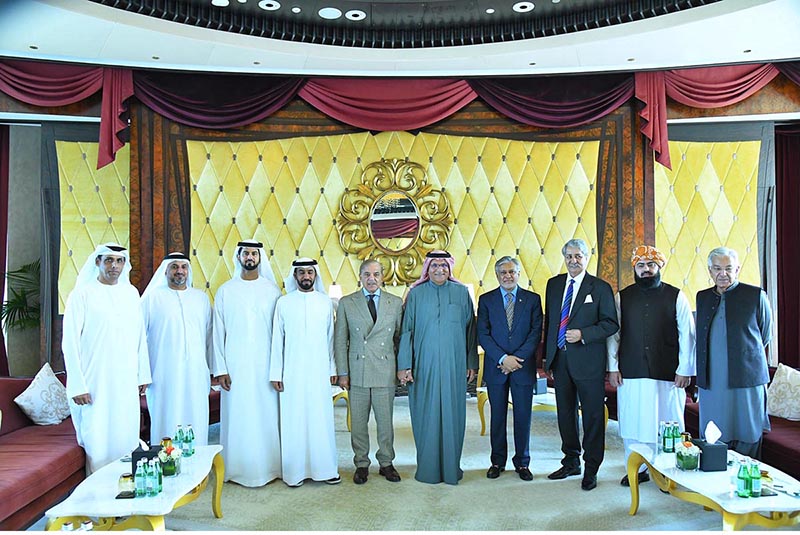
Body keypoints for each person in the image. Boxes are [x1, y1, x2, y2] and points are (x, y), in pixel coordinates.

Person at [607, 245, 696, 486]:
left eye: (651, 265)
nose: (647, 269)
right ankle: (637, 468)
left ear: (660, 267)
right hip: (631, 370)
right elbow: (614, 335)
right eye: (641, 265)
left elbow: (687, 335)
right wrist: (612, 366)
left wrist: (685, 369)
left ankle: (668, 471)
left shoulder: (676, 295)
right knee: (633, 421)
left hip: (667, 371)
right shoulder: (622, 296)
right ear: (634, 268)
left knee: (668, 422)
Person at [61, 243, 151, 474]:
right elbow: (69, 343)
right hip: (94, 380)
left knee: (126, 434)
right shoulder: (81, 294)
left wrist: (142, 374)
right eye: (108, 260)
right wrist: (77, 385)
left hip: (126, 380)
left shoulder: (131, 293)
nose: (114, 266)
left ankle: (127, 490)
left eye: (119, 261)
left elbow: (141, 337)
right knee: (98, 438)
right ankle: (98, 501)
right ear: (97, 262)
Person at [397, 250, 478, 485]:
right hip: (424, 366)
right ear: (427, 269)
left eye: (444, 265)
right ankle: (428, 469)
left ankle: (452, 468)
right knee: (425, 415)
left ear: (450, 268)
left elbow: (471, 331)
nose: (439, 269)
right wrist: (405, 365)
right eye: (434, 266)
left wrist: (471, 362)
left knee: (453, 415)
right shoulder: (416, 294)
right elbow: (407, 332)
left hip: (455, 366)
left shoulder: (461, 293)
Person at [543, 238, 618, 491]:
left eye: (578, 256)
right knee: (564, 414)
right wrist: (548, 358)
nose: (574, 261)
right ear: (564, 257)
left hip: (589, 362)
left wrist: (584, 334)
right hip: (560, 360)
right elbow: (551, 322)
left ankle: (591, 467)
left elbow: (610, 324)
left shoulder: (600, 287)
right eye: (569, 256)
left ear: (587, 258)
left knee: (593, 417)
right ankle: (571, 460)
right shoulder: (553, 285)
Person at [212, 239, 282, 487]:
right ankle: (236, 469)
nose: (250, 257)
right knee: (238, 417)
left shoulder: (272, 291)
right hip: (235, 366)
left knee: (266, 416)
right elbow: (217, 334)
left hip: (265, 367)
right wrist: (220, 369)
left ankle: (269, 468)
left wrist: (278, 369)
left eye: (254, 253)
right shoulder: (225, 291)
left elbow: (279, 333)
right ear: (238, 257)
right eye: (246, 253)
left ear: (260, 257)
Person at [696, 246, 773, 458]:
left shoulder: (755, 295)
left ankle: (746, 476)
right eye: (717, 268)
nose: (723, 273)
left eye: (728, 268)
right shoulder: (702, 297)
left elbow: (764, 335)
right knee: (714, 428)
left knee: (747, 427)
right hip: (712, 378)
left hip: (747, 375)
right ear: (710, 271)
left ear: (737, 269)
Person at [270, 258, 340, 487]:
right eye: (301, 273)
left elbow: (331, 340)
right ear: (295, 276)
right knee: (294, 420)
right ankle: (294, 473)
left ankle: (326, 470)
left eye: (309, 272)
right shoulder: (283, 303)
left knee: (321, 420)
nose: (306, 276)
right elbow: (276, 341)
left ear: (315, 275)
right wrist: (276, 374)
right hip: (292, 372)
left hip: (319, 371)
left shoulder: (325, 303)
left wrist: (333, 369)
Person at [334, 259, 404, 484]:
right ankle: (361, 463)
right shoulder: (347, 302)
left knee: (385, 422)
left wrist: (401, 368)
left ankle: (386, 462)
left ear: (382, 277)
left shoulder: (395, 303)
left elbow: (400, 339)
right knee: (359, 422)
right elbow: (340, 340)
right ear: (360, 277)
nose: (371, 279)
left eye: (376, 274)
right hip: (358, 370)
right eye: (367, 274)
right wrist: (343, 372)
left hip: (385, 369)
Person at [477, 256, 543, 481]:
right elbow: (483, 334)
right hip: (497, 367)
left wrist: (516, 360)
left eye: (511, 272)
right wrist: (503, 358)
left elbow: (535, 333)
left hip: (522, 368)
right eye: (503, 272)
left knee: (523, 416)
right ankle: (497, 461)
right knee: (497, 417)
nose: (507, 276)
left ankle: (522, 463)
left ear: (518, 274)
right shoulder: (486, 300)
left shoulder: (533, 299)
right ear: (497, 276)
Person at [142, 252, 213, 447]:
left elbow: (209, 337)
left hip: (196, 373)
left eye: (183, 267)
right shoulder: (152, 298)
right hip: (163, 373)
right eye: (174, 267)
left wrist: (212, 369)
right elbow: (138, 338)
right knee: (166, 417)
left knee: (196, 417)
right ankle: (165, 462)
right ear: (165, 271)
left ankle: (198, 464)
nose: (179, 271)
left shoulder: (201, 299)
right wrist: (142, 373)